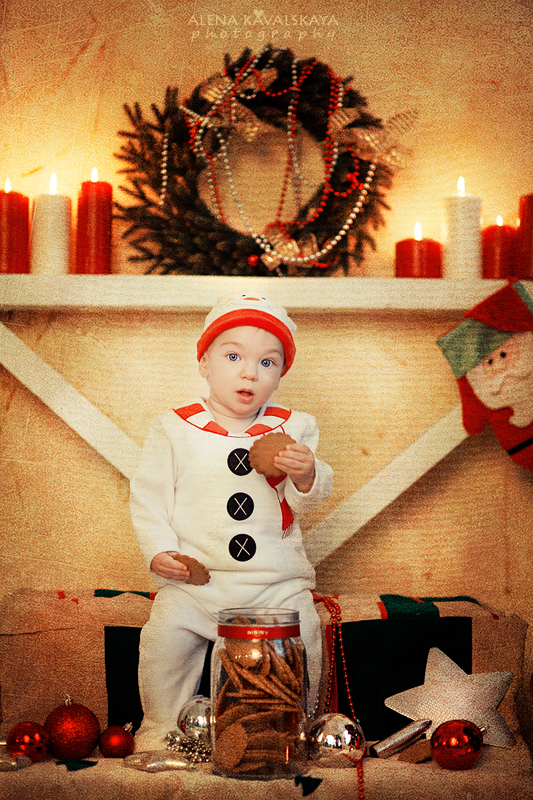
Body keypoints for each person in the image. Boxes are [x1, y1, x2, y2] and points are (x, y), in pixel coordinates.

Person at [130, 292, 334, 750]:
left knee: (305, 630)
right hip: (196, 586)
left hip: (274, 584)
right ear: (204, 362)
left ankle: (294, 727)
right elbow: (149, 495)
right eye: (234, 356)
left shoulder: (295, 427)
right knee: (164, 639)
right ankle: (160, 727)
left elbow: (305, 502)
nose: (250, 373)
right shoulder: (174, 428)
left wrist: (307, 475)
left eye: (268, 362)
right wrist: (159, 551)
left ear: (281, 374)